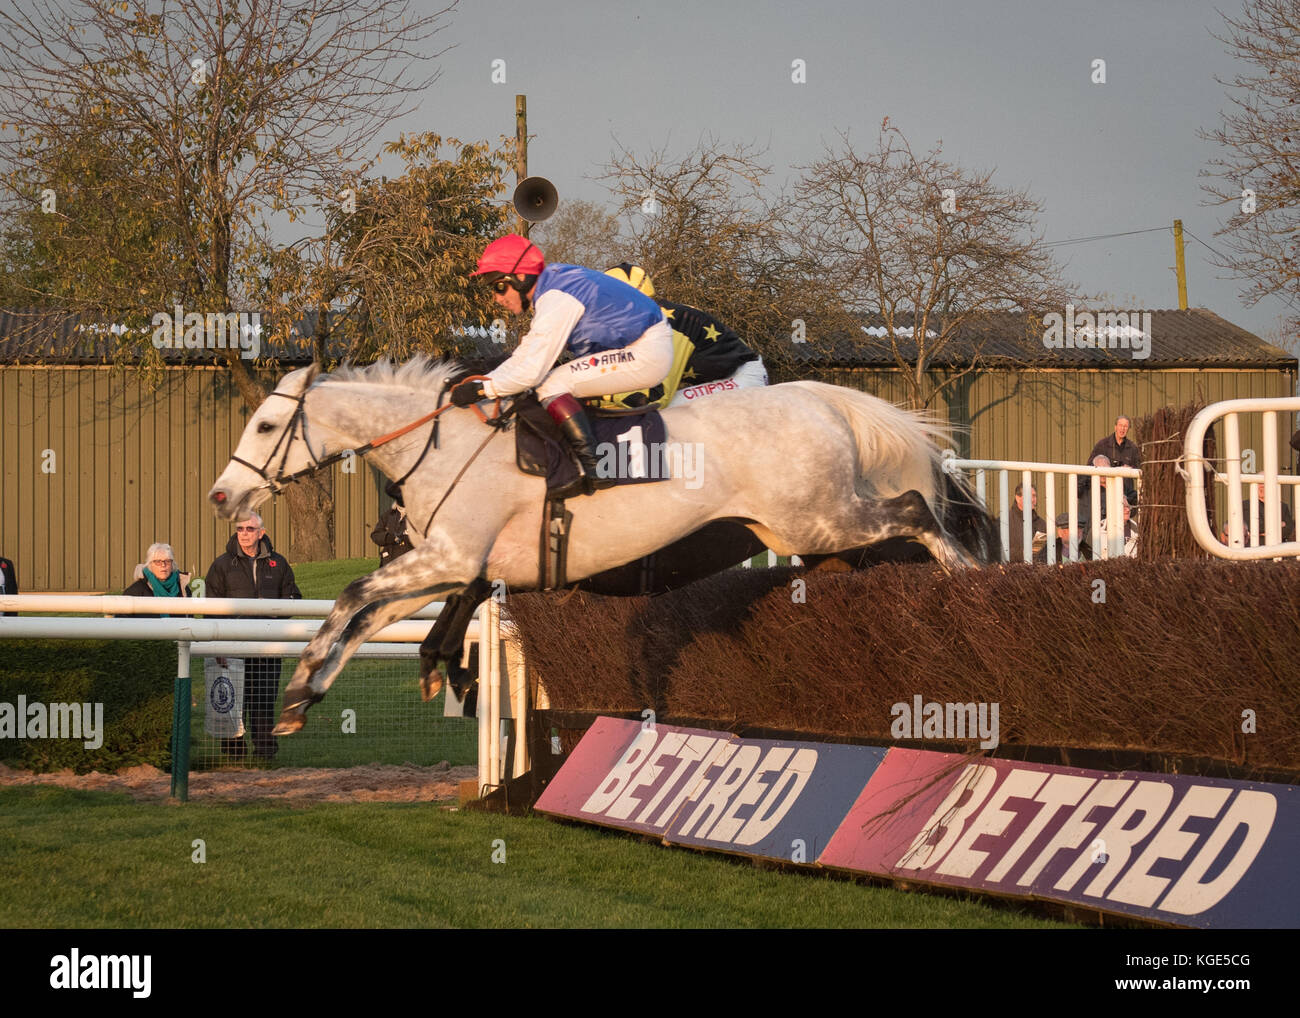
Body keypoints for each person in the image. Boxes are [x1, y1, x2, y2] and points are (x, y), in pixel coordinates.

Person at [449, 235, 674, 498]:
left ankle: (595, 468)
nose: (497, 298)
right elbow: (525, 355)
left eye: (499, 287)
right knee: (551, 381)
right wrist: (482, 381)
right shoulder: (552, 285)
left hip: (646, 350)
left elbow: (531, 372)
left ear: (521, 277)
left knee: (551, 384)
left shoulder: (556, 297)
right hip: (640, 344)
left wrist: (482, 392)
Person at [596, 263, 767, 411]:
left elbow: (654, 399)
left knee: (669, 410)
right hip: (721, 376)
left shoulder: (667, 325)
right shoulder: (649, 318)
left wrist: (600, 397)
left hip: (740, 377)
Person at [204, 511, 301, 761]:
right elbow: (211, 608)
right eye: (240, 529)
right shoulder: (222, 565)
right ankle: (234, 755)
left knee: (264, 699)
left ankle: (265, 753)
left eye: (249, 529)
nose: (244, 534)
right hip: (233, 646)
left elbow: (294, 597)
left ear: (261, 533)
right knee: (233, 699)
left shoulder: (278, 563)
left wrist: (275, 617)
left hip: (267, 646)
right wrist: (219, 647)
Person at [123, 542, 192, 616]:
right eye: (158, 562)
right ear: (150, 565)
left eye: (167, 561)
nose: (163, 565)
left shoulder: (183, 588)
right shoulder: (136, 591)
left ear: (172, 565)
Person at [371, 480, 414, 565]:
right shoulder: (388, 515)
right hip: (388, 564)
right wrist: (391, 538)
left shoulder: (417, 515)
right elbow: (375, 535)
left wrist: (403, 537)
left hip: (409, 564)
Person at [1006, 483, 1047, 563]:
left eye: (1034, 496)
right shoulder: (1004, 521)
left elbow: (1043, 552)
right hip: (1009, 572)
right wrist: (1022, 553)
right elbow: (998, 551)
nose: (1032, 499)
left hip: (1035, 572)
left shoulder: (1041, 524)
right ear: (1018, 498)